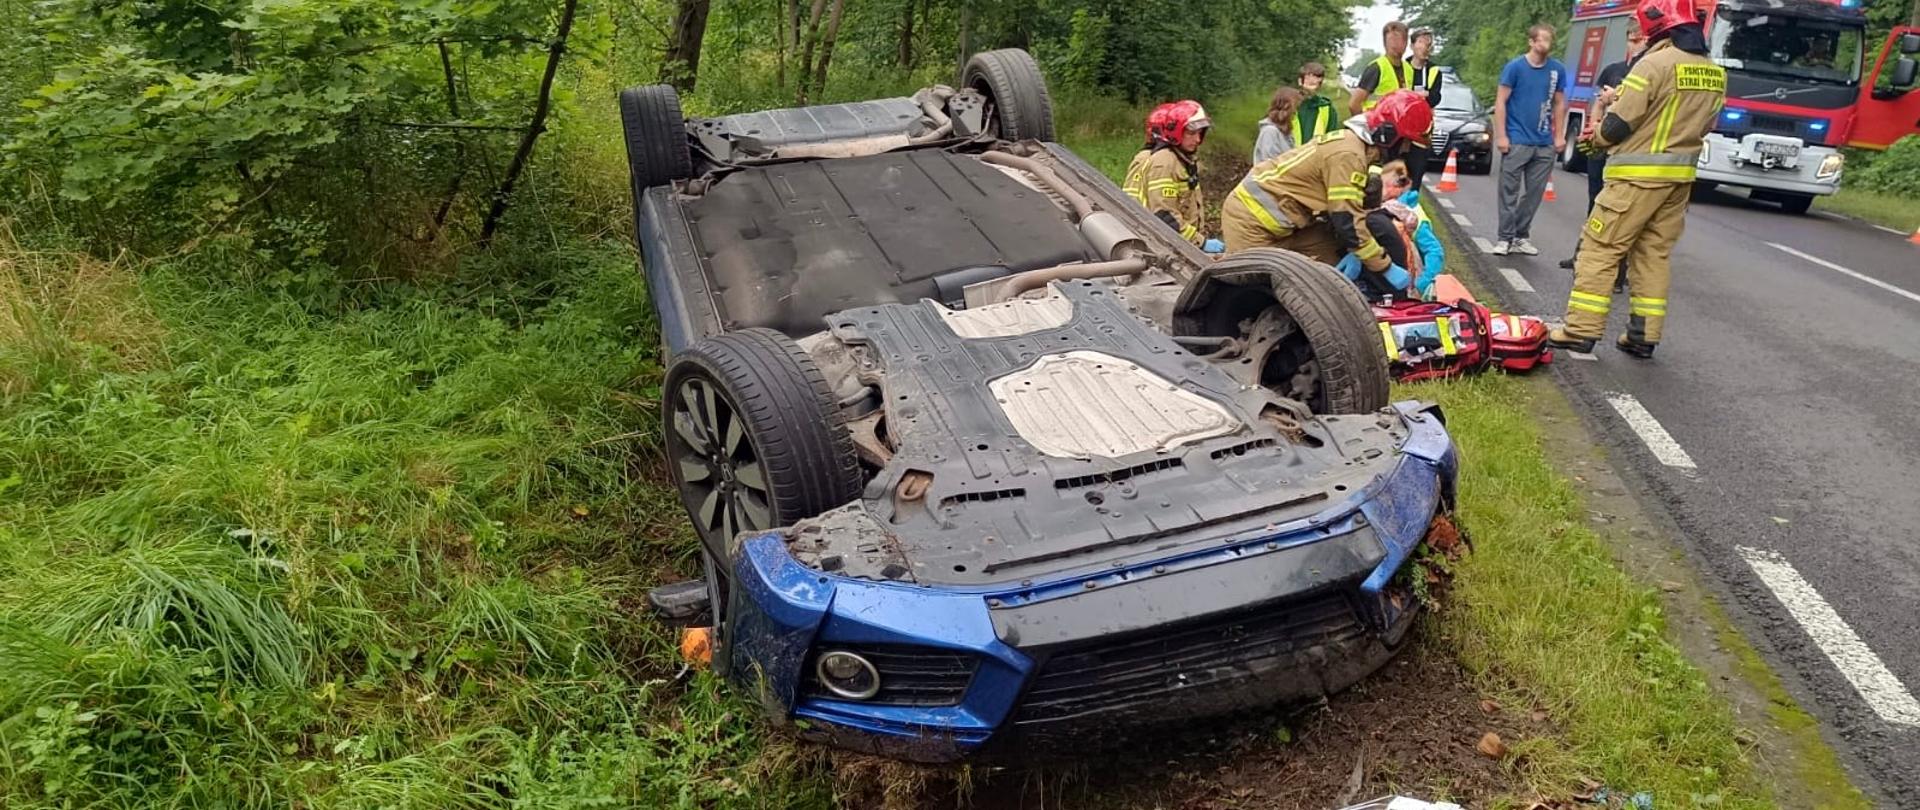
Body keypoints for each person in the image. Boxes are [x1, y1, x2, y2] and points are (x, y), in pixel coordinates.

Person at [1547, 0, 1725, 359]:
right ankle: (1643, 334)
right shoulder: (1714, 72)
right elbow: (1708, 126)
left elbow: (1618, 124)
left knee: (1600, 247)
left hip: (1635, 180)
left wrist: (1594, 139)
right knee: (1653, 254)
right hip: (1678, 184)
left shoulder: (1654, 65)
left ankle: (1580, 330)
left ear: (1659, 27)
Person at [1222, 90, 1433, 294]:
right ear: (1389, 134)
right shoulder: (1348, 155)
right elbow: (1347, 220)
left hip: (1286, 224)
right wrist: (1385, 267)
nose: (1405, 151)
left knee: (1333, 258)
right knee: (1274, 295)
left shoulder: (1353, 146)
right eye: (1406, 143)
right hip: (1252, 225)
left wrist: (1355, 253)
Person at [1559, 26, 1649, 293]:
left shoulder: (1648, 72)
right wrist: (1593, 127)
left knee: (1620, 214)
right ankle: (1581, 257)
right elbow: (1598, 103)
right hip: (1602, 144)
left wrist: (1615, 97)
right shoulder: (1613, 69)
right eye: (1632, 38)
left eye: (1640, 39)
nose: (1636, 44)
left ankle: (1618, 273)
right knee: (1594, 203)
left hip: (1625, 150)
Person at [1491, 23, 1569, 256]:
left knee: (1534, 193)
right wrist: (1502, 135)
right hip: (1517, 139)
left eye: (1549, 40)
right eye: (1542, 39)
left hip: (1543, 142)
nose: (1546, 44)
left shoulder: (1557, 70)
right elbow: (1501, 101)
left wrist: (1559, 135)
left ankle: (1520, 235)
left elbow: (1559, 103)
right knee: (1509, 191)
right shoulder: (1515, 67)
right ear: (1532, 42)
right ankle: (1505, 237)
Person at [1123, 100, 1211, 247]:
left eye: (1200, 133)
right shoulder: (1163, 162)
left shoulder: (1181, 160)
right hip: (1170, 244)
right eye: (1191, 133)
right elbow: (1165, 215)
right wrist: (1201, 243)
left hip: (1181, 242)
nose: (1197, 139)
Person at [1404, 27, 1446, 190]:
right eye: (1421, 42)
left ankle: (1412, 202)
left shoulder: (1434, 71)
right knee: (1397, 170)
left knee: (1417, 169)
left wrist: (1419, 94)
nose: (1425, 47)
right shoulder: (1402, 66)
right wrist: (1421, 94)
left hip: (1422, 128)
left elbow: (1435, 98)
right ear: (1412, 45)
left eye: (1428, 44)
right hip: (1400, 125)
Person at [1254, 86, 1304, 163]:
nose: (1295, 112)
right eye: (1295, 108)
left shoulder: (1286, 133)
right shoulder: (1270, 132)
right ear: (1286, 107)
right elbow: (1270, 165)